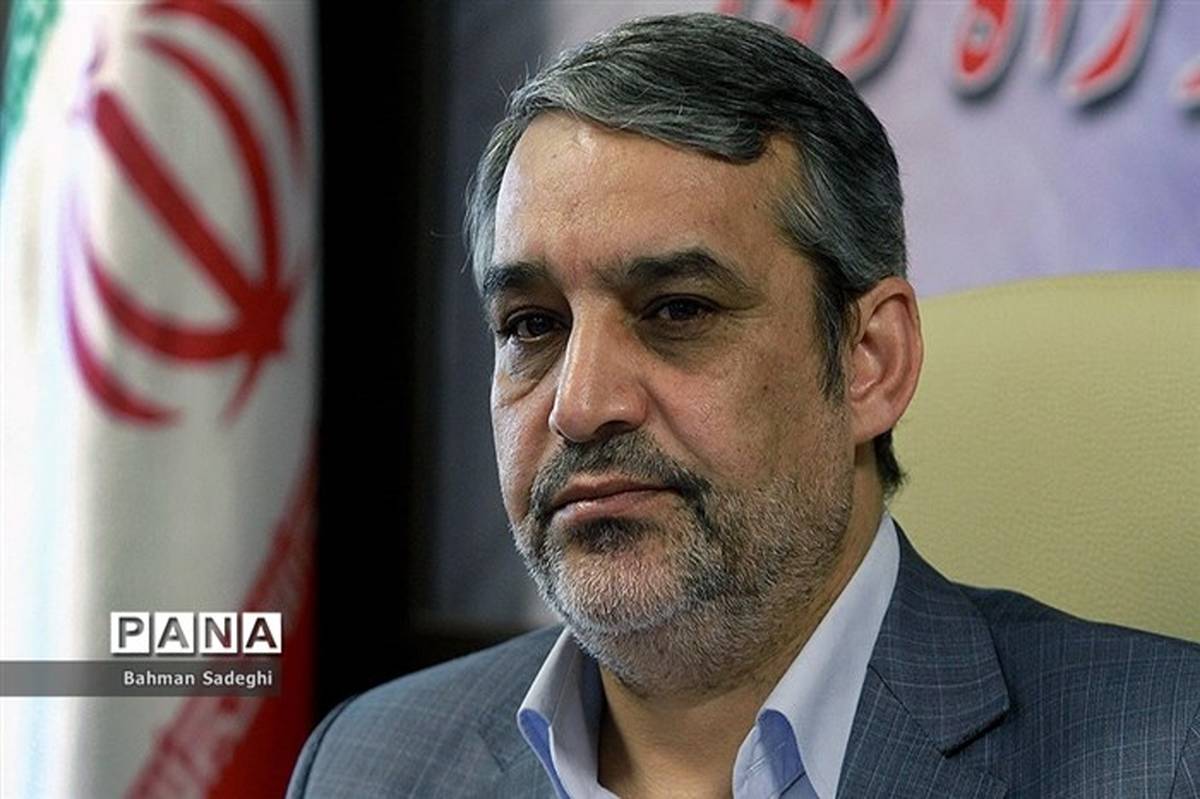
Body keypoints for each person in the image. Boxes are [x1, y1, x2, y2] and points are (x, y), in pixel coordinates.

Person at [288, 13, 1200, 798]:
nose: (581, 405)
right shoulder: (368, 764)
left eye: (677, 310)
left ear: (871, 362)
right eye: (533, 325)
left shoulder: (1165, 757)